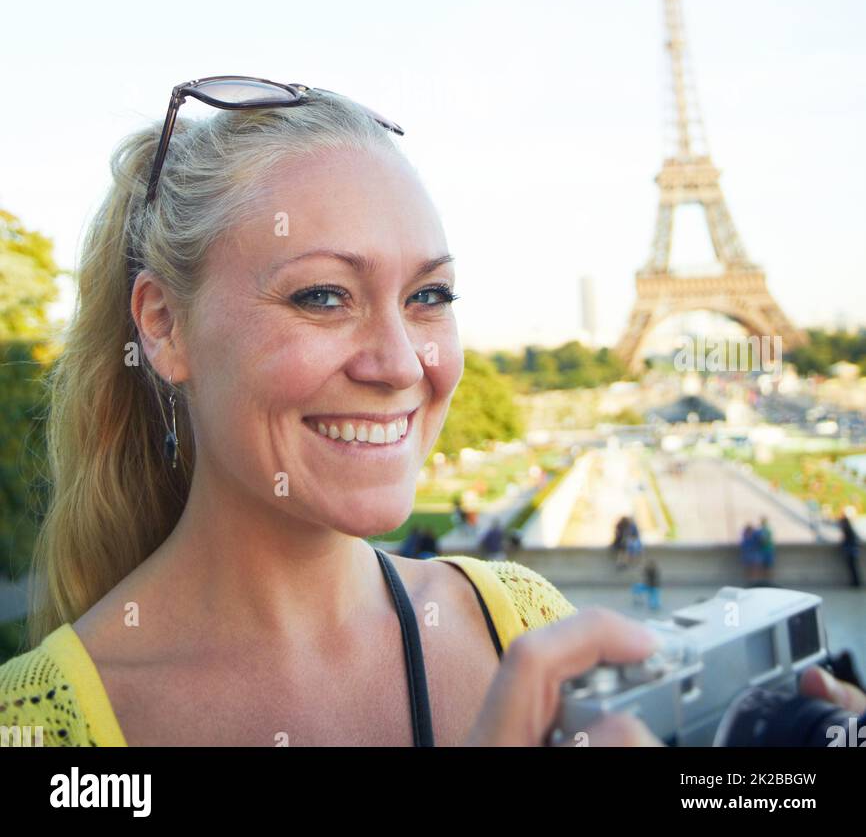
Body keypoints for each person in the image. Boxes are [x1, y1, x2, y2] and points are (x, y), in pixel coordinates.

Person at [0, 77, 675, 748]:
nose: (402, 364)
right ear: (165, 325)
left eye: (429, 295)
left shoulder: (521, 622)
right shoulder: (30, 727)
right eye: (324, 296)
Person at [838, 510, 863, 588]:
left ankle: (855, 583)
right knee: (854, 568)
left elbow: (846, 540)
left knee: (852, 568)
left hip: (849, 551)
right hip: (853, 550)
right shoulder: (850, 528)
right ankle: (856, 583)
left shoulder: (846, 529)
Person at [756, 516, 775, 583]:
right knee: (763, 567)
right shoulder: (761, 530)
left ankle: (768, 581)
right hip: (763, 551)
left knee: (768, 567)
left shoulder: (767, 530)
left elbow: (765, 541)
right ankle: (763, 581)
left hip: (767, 550)